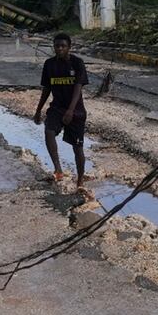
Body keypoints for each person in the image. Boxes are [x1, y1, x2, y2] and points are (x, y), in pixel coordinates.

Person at [34, 33, 90, 196]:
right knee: (49, 131)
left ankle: (80, 180)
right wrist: (38, 110)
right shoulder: (49, 64)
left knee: (77, 148)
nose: (59, 49)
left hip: (76, 110)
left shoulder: (77, 63)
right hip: (57, 108)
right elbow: (46, 88)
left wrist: (71, 111)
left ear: (69, 47)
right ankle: (58, 169)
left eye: (63, 46)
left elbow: (78, 88)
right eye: (57, 46)